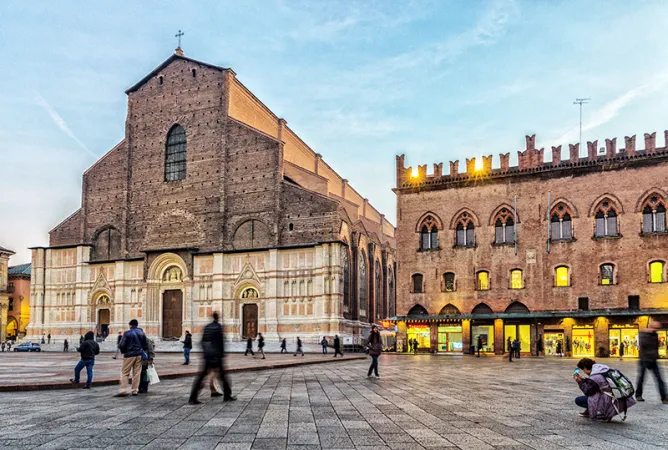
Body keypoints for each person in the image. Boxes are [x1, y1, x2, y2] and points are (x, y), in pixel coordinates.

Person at [189, 312, 235, 404]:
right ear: (217, 318)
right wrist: (221, 355)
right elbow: (220, 343)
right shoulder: (218, 327)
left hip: (207, 355)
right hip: (216, 355)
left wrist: (205, 353)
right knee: (223, 377)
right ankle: (227, 395)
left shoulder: (207, 327)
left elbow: (202, 341)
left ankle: (193, 397)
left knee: (202, 377)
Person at [114, 319, 148, 397]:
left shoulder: (127, 333)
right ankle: (135, 390)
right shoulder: (142, 333)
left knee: (125, 373)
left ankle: (123, 390)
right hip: (139, 355)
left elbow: (121, 345)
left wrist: (124, 351)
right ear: (137, 325)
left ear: (130, 325)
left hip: (129, 355)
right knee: (136, 373)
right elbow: (145, 345)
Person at [636, 321, 668, 403]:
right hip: (644, 359)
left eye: (657, 328)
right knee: (641, 378)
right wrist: (648, 334)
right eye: (655, 328)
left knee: (659, 379)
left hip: (653, 360)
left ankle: (664, 398)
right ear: (650, 327)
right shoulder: (643, 334)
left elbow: (656, 346)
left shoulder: (655, 334)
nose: (656, 330)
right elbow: (643, 344)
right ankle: (638, 395)